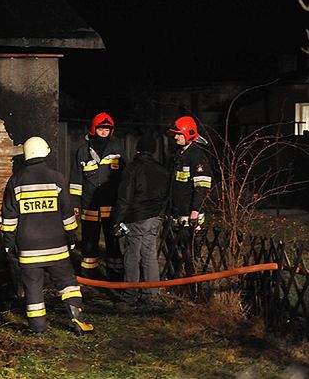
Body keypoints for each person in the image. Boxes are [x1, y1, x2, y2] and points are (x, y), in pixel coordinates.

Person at [1, 136, 93, 336]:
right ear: (45, 152)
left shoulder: (15, 181)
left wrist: (8, 245)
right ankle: (76, 318)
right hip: (56, 245)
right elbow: (67, 214)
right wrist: (71, 238)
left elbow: (9, 218)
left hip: (28, 248)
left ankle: (37, 329)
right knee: (67, 282)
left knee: (33, 287)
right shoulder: (57, 178)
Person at [112, 133, 169, 309]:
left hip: (135, 218)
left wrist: (117, 220)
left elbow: (125, 196)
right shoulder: (162, 170)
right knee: (150, 255)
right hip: (154, 218)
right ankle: (151, 294)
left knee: (132, 255)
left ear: (137, 149)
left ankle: (130, 295)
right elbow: (166, 195)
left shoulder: (132, 168)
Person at [69, 112, 125, 280]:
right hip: (89, 206)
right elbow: (76, 181)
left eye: (107, 129)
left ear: (111, 131)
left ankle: (115, 274)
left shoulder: (117, 150)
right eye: (101, 128)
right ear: (94, 129)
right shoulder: (82, 152)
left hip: (111, 205)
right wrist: (75, 204)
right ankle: (89, 273)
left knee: (113, 241)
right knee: (89, 241)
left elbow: (125, 178)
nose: (103, 131)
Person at [168, 116, 212, 276]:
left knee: (190, 254)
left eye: (179, 134)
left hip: (189, 215)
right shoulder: (179, 154)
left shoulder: (197, 157)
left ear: (188, 134)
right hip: (177, 211)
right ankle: (178, 280)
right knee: (175, 251)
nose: (175, 137)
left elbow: (202, 186)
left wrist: (195, 210)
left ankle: (192, 286)